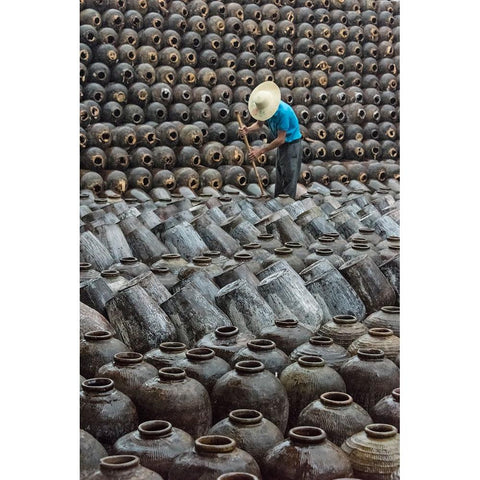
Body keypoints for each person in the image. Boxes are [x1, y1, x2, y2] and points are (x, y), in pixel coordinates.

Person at [238, 81, 303, 198]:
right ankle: (278, 201)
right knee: (280, 175)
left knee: (289, 177)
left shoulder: (283, 112)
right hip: (282, 145)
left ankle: (288, 205)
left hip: (291, 145)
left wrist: (260, 151)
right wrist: (247, 129)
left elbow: (280, 139)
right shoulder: (265, 110)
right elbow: (259, 124)